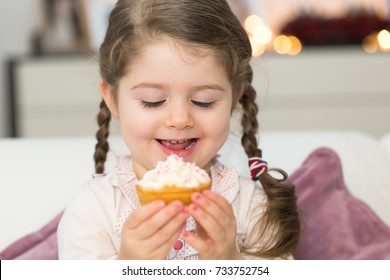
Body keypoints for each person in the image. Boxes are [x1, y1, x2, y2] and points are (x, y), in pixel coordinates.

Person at [57, 0, 300, 260]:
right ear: (112, 98)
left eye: (203, 101)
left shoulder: (252, 208)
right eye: (153, 100)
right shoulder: (93, 211)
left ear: (234, 97)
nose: (180, 119)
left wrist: (230, 261)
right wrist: (128, 264)